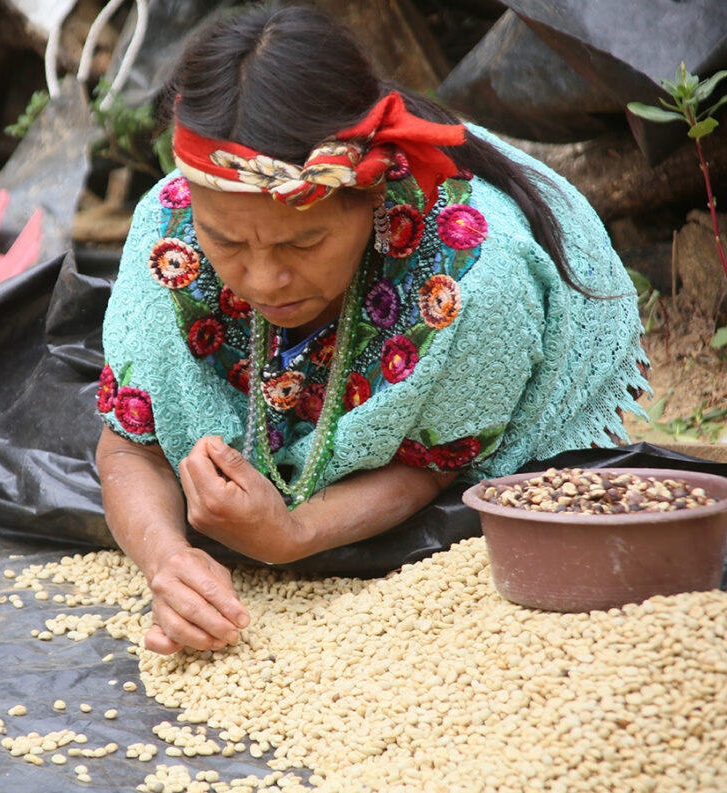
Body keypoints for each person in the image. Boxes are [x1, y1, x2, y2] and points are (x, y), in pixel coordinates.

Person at [94, 4, 650, 655]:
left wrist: (293, 534)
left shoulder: (465, 271)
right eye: (229, 242)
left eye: (305, 243)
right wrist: (167, 562)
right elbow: (130, 444)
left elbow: (435, 463)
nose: (266, 279)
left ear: (374, 199)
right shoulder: (172, 238)